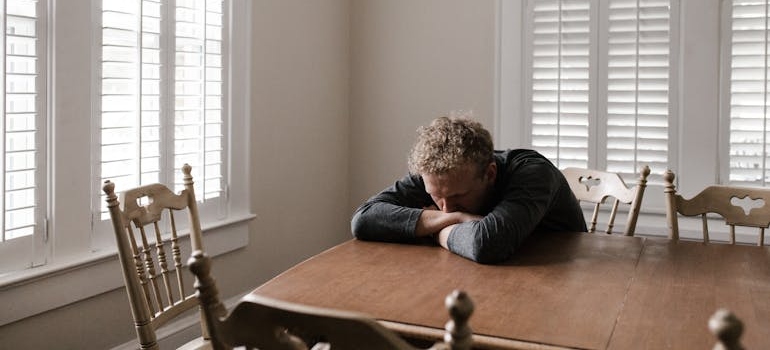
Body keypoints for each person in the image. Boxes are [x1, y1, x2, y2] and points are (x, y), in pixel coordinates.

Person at [350, 116, 587, 264]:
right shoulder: (437, 175)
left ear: (490, 174)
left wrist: (435, 231)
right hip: (479, 273)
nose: (445, 207)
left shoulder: (533, 173)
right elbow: (363, 220)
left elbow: (487, 244)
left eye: (457, 197)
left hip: (567, 277)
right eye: (436, 197)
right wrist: (457, 218)